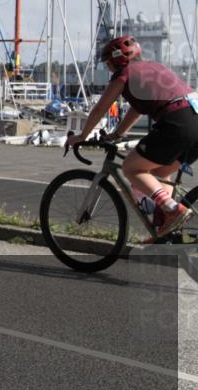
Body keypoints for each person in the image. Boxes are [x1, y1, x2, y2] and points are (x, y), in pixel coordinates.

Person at [66, 36, 194, 239]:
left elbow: (101, 108)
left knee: (131, 168)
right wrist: (117, 133)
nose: (108, 67)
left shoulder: (124, 74)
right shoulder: (153, 66)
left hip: (178, 121)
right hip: (194, 116)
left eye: (107, 63)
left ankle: (172, 209)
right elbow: (137, 109)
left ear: (117, 60)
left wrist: (83, 135)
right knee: (160, 172)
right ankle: (165, 230)